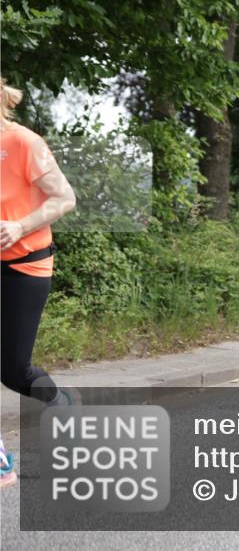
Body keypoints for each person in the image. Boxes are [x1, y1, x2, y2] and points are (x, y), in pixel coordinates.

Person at [1, 77, 79, 488]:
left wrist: (19, 226)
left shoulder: (24, 143)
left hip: (25, 265)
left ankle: (60, 402)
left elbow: (64, 197)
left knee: (13, 372)